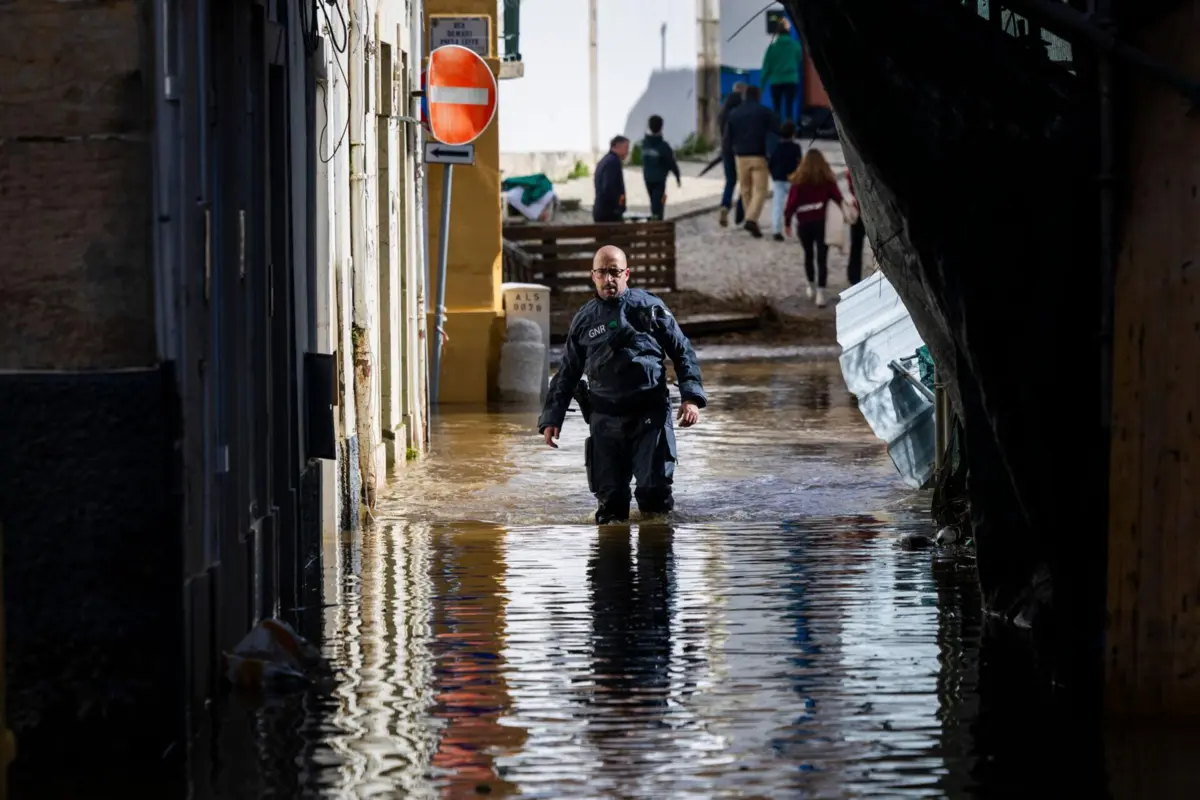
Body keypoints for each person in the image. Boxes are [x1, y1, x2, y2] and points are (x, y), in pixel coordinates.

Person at [538, 245, 707, 524]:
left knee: (654, 496)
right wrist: (551, 418)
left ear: (626, 274)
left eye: (614, 272)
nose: (608, 279)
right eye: (602, 273)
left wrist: (691, 398)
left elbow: (682, 352)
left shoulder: (650, 308)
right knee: (611, 505)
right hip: (605, 421)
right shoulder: (584, 320)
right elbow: (567, 372)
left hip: (650, 416)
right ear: (593, 275)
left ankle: (657, 545)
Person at [784, 148, 845, 308]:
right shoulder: (827, 181)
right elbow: (838, 197)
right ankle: (821, 292)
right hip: (821, 222)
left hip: (804, 223)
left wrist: (787, 222)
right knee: (822, 257)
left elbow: (791, 204)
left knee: (808, 254)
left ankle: (810, 285)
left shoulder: (798, 182)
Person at [725, 85, 779, 238]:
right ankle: (751, 218)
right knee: (761, 189)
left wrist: (729, 152)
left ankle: (751, 219)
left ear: (745, 96)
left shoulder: (734, 113)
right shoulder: (765, 112)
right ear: (758, 96)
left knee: (745, 189)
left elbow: (728, 136)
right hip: (759, 155)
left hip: (740, 156)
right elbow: (775, 131)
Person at [715, 83, 747, 228]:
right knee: (744, 182)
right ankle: (740, 210)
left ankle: (725, 205)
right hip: (740, 151)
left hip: (726, 150)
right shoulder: (740, 114)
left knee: (730, 181)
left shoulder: (723, 114)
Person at [760, 17, 804, 122]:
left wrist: (761, 86)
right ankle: (790, 127)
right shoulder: (796, 46)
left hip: (776, 81)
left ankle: (777, 127)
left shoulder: (772, 48)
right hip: (791, 80)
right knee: (789, 107)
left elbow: (766, 68)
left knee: (777, 108)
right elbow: (799, 60)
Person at [639, 115, 682, 221]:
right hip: (659, 180)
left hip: (647, 178)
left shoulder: (645, 143)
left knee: (653, 203)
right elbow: (671, 163)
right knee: (658, 205)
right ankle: (657, 224)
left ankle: (655, 222)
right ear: (661, 128)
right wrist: (677, 176)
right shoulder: (663, 146)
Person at [768, 120, 803, 241]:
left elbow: (771, 163)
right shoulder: (796, 147)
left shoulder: (776, 147)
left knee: (778, 204)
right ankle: (800, 228)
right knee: (796, 204)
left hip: (778, 179)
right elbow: (800, 163)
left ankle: (776, 230)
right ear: (793, 134)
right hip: (793, 179)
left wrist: (773, 174)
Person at [593, 136, 630, 223]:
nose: (627, 152)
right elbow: (609, 187)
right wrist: (617, 207)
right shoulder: (613, 162)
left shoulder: (606, 160)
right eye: (626, 148)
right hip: (609, 213)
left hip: (602, 209)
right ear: (617, 146)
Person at [846, 168, 867, 285]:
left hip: (858, 209)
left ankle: (854, 276)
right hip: (863, 209)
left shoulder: (851, 170)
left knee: (856, 245)